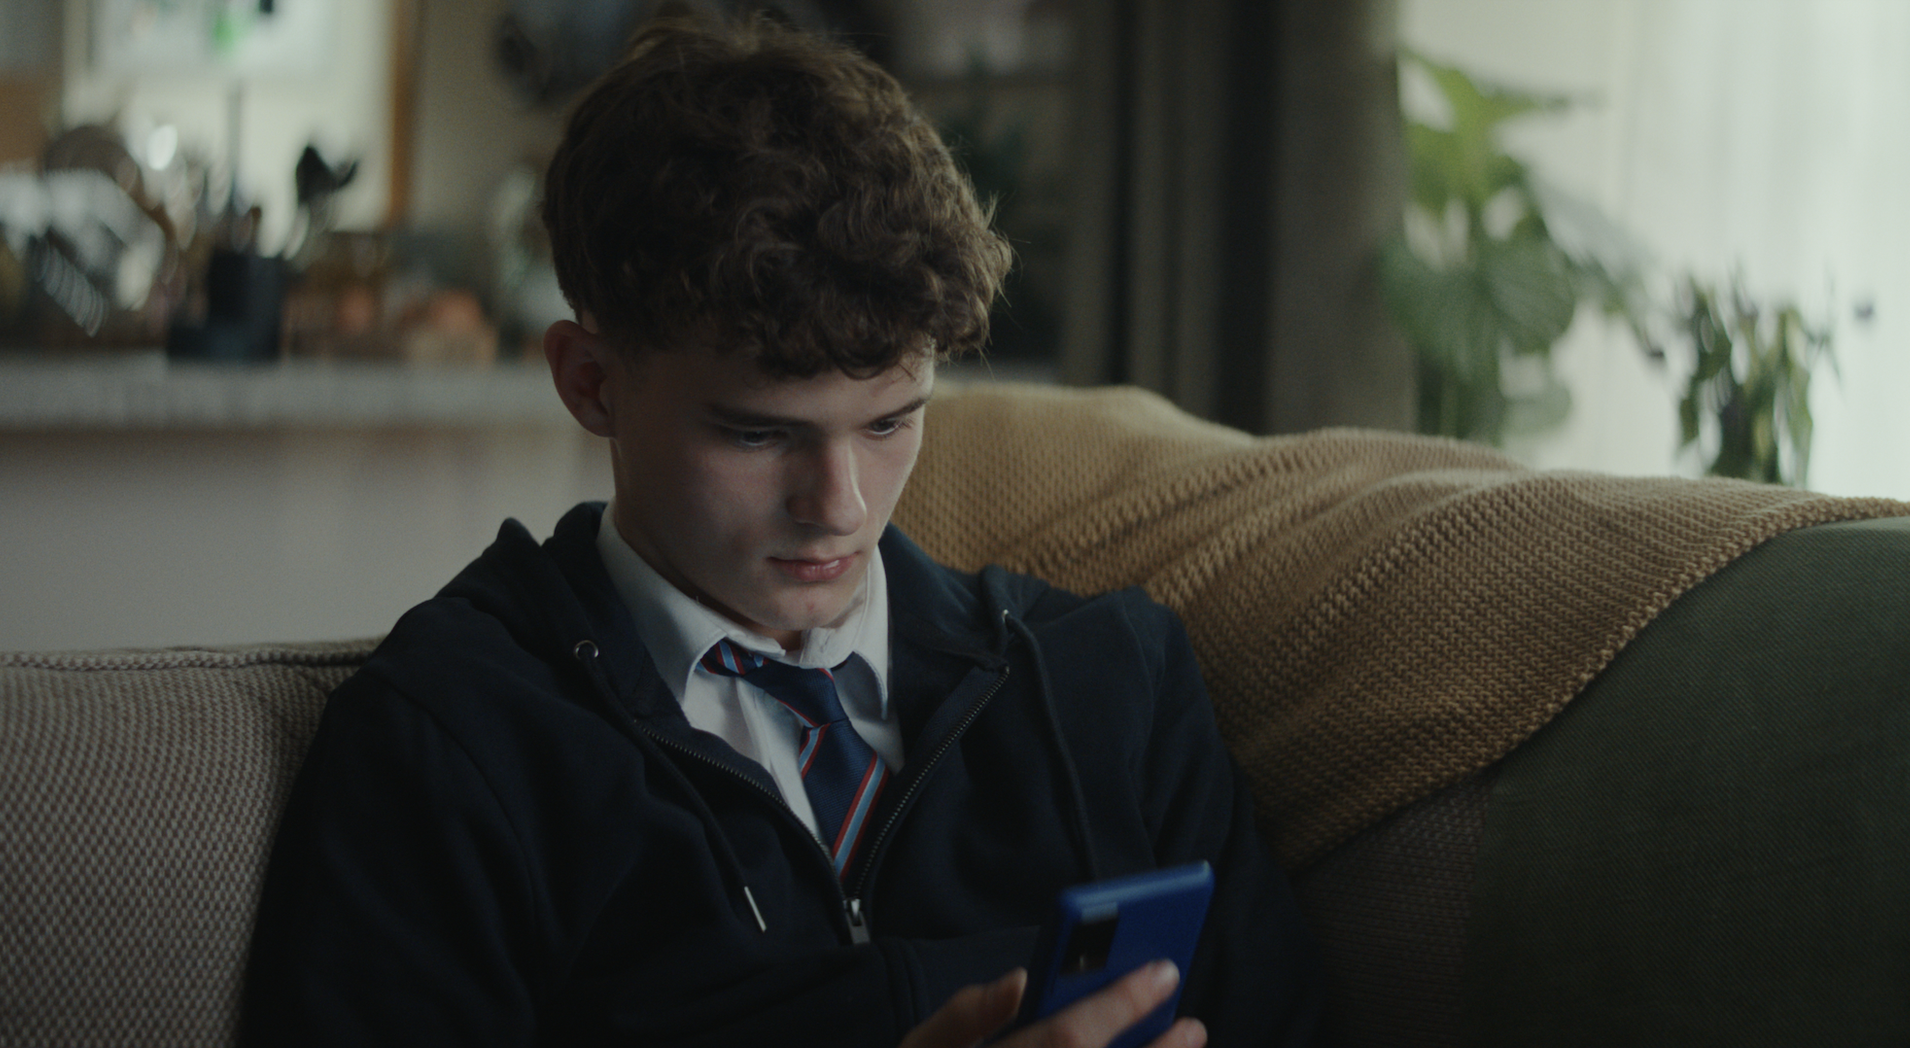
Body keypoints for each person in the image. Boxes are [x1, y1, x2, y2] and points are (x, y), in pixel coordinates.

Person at [241, 15, 1322, 1048]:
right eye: (758, 434)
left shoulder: (1115, 688)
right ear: (590, 381)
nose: (840, 507)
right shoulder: (450, 740)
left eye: (890, 421)